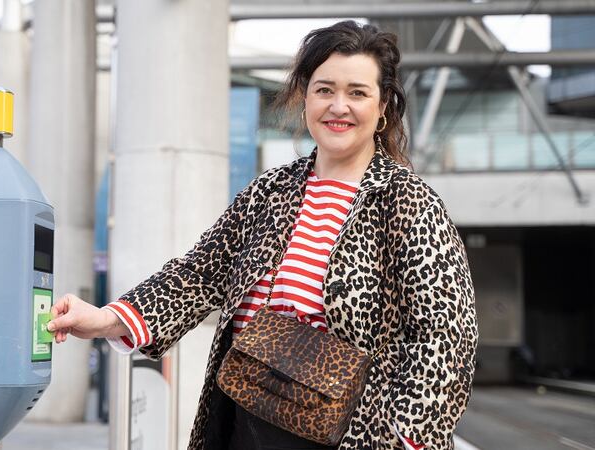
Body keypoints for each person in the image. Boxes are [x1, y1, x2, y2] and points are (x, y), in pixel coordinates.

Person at [47, 20, 478, 450]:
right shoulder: (271, 190)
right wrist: (107, 319)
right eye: (324, 89)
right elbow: (200, 273)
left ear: (383, 106)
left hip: (349, 433)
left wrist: (409, 436)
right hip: (246, 417)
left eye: (357, 92)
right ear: (305, 97)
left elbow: (447, 333)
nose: (338, 106)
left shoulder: (407, 201)